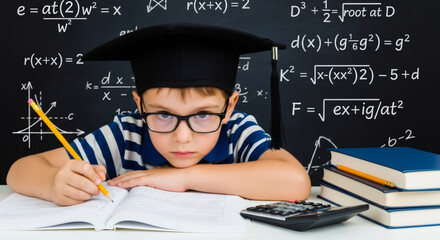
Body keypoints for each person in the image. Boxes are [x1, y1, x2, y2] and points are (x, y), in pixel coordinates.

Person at [7, 23, 311, 206]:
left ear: (229, 107)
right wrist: (53, 183)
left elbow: (296, 181)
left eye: (203, 115)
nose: (182, 136)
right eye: (164, 115)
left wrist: (184, 177)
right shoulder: (127, 134)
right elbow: (20, 170)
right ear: (140, 105)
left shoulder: (237, 131)